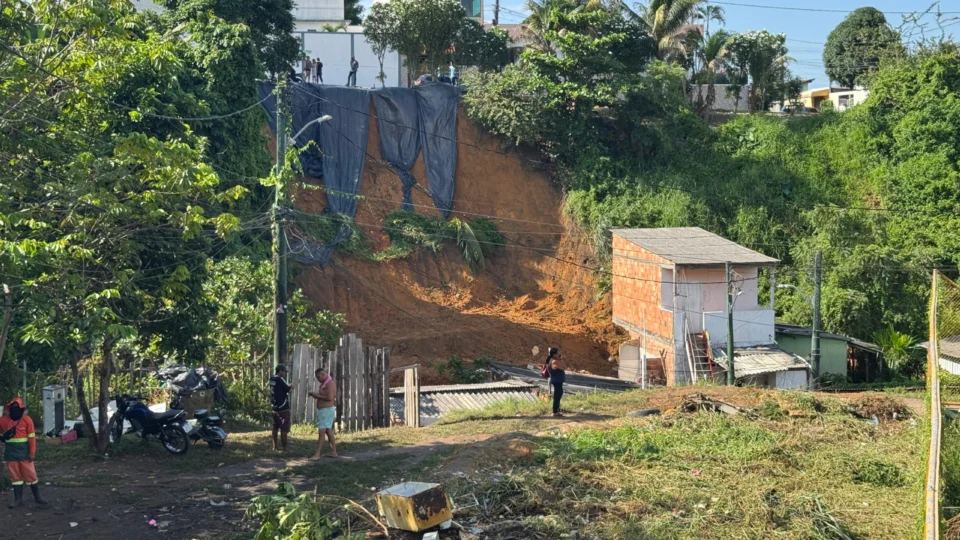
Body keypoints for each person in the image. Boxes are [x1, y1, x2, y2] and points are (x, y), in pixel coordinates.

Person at [0, 398, 47, 508]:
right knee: (15, 477)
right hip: (11, 453)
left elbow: (32, 437)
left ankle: (38, 497)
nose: (15, 410)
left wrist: (32, 452)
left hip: (25, 452)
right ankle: (18, 500)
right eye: (13, 408)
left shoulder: (27, 420)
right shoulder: (3, 420)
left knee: (31, 475)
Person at [309, 367, 338, 459]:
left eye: (318, 377)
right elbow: (324, 395)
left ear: (323, 374)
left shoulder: (329, 384)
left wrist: (316, 395)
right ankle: (333, 451)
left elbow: (329, 398)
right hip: (324, 410)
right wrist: (316, 395)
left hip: (326, 410)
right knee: (328, 431)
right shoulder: (325, 383)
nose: (318, 379)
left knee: (321, 432)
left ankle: (317, 454)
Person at [269, 364, 292, 453]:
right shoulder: (280, 379)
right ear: (280, 371)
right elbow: (287, 389)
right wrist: (291, 387)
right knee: (284, 428)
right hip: (283, 407)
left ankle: (274, 447)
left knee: (275, 427)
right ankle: (285, 449)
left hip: (275, 406)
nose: (284, 373)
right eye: (284, 371)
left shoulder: (272, 379)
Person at [545, 348, 566, 417]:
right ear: (554, 354)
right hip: (557, 380)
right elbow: (564, 367)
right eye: (557, 353)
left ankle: (557, 410)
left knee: (558, 394)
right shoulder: (554, 361)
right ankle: (555, 411)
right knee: (557, 395)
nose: (559, 354)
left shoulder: (551, 360)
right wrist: (560, 359)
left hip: (556, 380)